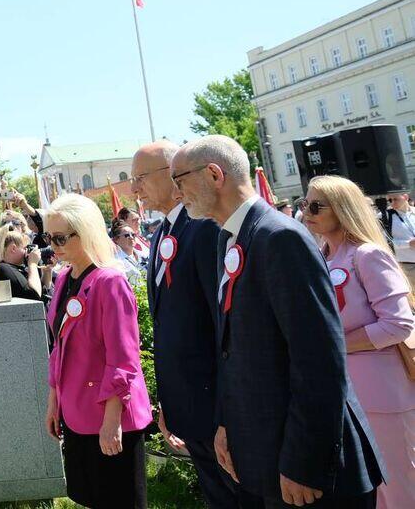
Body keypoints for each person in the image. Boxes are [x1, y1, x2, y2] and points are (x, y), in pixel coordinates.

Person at [172, 135, 384, 508]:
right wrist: (225, 423)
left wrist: (305, 462)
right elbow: (232, 348)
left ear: (214, 174)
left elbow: (319, 359)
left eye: (180, 180)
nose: (178, 193)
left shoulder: (279, 237)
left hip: (311, 470)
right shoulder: (230, 239)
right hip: (269, 454)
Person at [131, 140, 235, 509]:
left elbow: (222, 326)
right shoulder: (163, 232)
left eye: (141, 177)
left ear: (172, 174)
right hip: (189, 406)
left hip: (216, 408)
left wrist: (226, 413)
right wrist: (171, 402)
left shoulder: (204, 228)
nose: (134, 188)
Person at [304, 176, 415, 509]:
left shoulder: (367, 255)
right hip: (343, 399)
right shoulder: (319, 258)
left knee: (399, 491)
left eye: (316, 206)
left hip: (382, 397)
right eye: (304, 204)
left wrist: (336, 346)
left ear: (342, 209)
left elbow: (397, 324)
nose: (306, 212)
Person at [43, 193, 152, 509]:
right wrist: (54, 400)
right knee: (92, 497)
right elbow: (59, 346)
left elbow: (123, 356)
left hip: (111, 414)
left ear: (85, 232)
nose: (53, 245)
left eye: (61, 238)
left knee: (120, 500)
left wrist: (112, 418)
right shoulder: (65, 278)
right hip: (77, 409)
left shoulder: (110, 281)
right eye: (49, 238)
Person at [0, 224, 43, 301]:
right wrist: (32, 264)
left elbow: (42, 293)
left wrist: (47, 272)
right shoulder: (3, 269)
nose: (27, 252)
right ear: (13, 248)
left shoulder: (16, 268)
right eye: (24, 248)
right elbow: (35, 296)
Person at [381, 191, 415, 283]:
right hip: (406, 266)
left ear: (406, 197)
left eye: (395, 199)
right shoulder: (385, 216)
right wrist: (408, 244)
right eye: (390, 200)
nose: (392, 203)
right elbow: (384, 242)